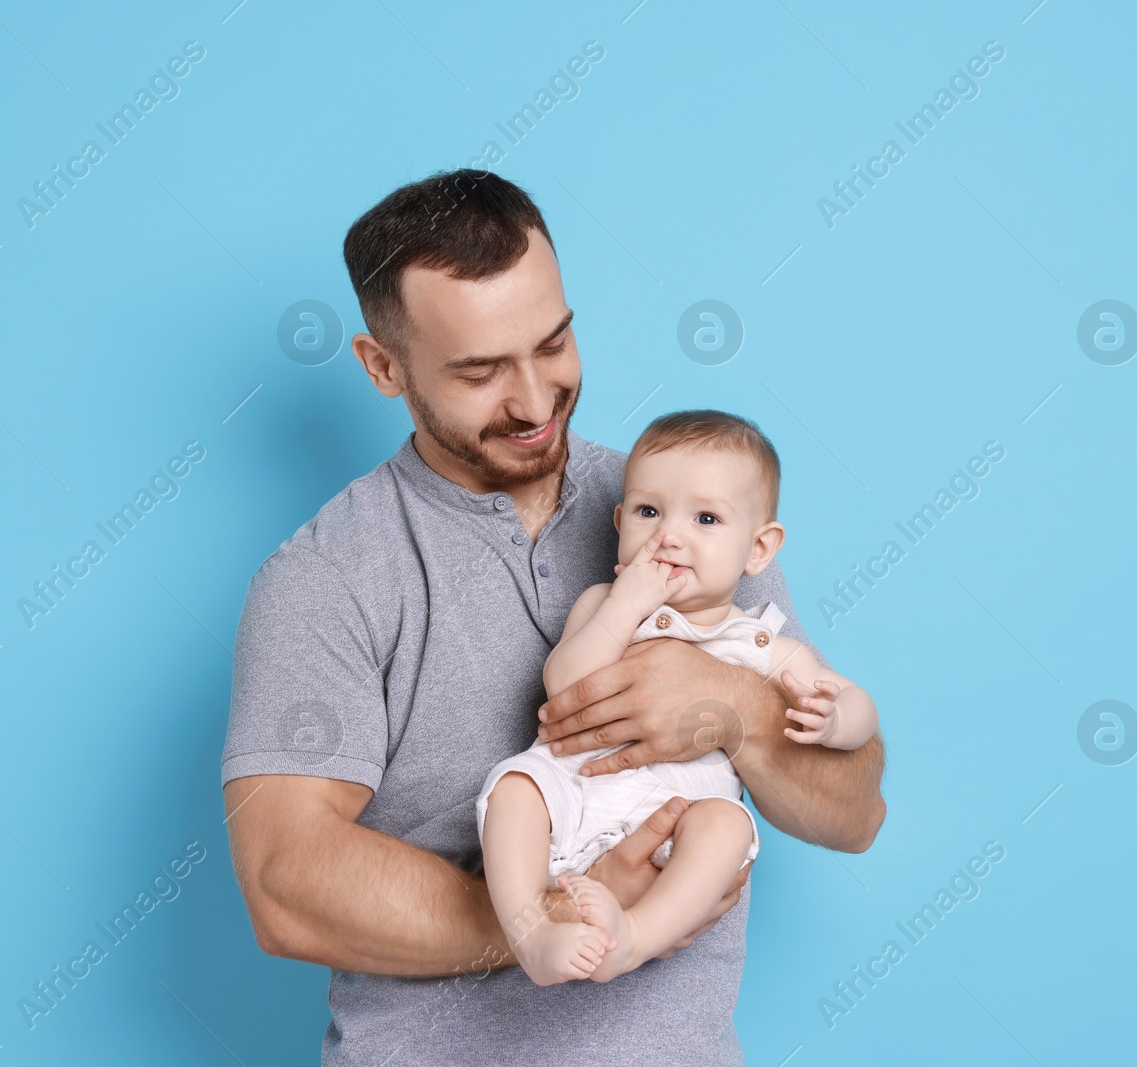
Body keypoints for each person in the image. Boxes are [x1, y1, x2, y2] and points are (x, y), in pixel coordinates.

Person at [222, 168, 886, 1066]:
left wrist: (737, 711)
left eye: (553, 343)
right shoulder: (326, 577)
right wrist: (547, 909)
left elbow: (855, 811)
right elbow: (286, 883)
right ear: (384, 367)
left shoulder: (682, 507)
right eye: (480, 371)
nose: (535, 403)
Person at [476, 409, 879, 987]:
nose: (669, 535)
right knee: (516, 788)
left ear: (759, 549)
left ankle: (634, 938)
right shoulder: (602, 606)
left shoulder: (760, 641)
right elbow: (565, 685)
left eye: (706, 518)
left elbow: (857, 705)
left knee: (727, 826)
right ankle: (533, 935)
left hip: (675, 822)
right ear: (620, 524)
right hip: (573, 794)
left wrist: (837, 718)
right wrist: (625, 603)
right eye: (647, 512)